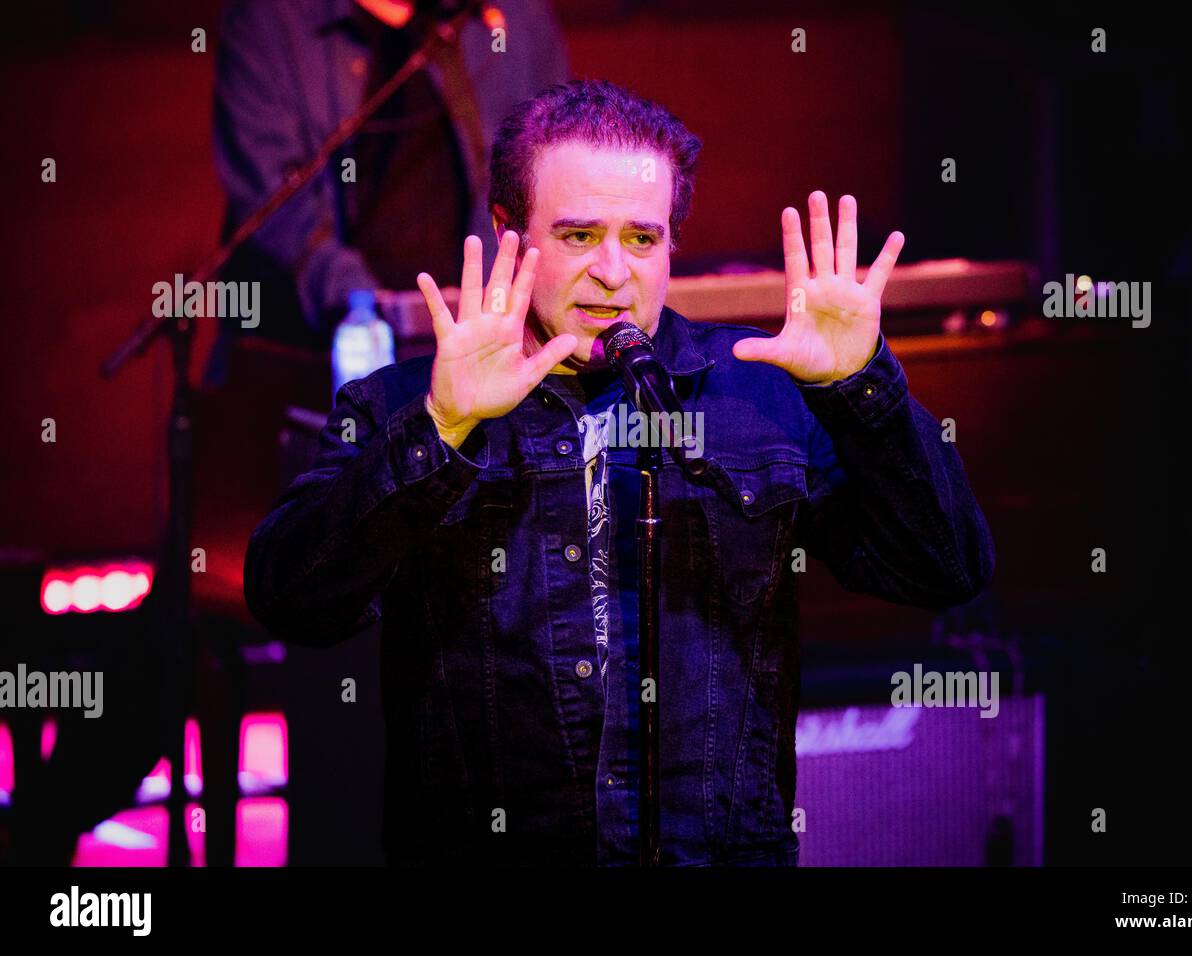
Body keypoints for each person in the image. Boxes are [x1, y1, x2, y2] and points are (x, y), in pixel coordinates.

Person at [244, 79, 996, 866]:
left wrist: (860, 387)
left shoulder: (758, 394)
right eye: (578, 236)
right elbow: (291, 598)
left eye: (642, 238)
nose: (614, 273)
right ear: (509, 233)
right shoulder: (402, 402)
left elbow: (946, 568)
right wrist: (442, 430)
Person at [205, 0, 568, 377]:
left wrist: (484, 310)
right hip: (310, 368)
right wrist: (370, 313)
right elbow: (276, 207)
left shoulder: (515, 17)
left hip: (481, 359)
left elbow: (541, 181)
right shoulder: (271, 21)